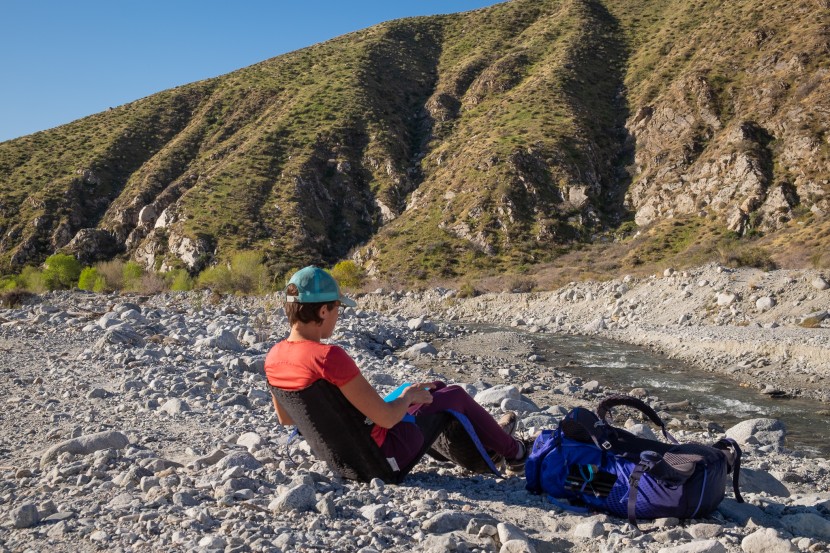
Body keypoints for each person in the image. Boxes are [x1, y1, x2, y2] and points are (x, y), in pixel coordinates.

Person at [264, 265, 530, 474]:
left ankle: (490, 445)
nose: (338, 315)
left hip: (343, 459)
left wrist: (406, 394)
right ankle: (516, 453)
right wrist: (406, 398)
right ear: (323, 311)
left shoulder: (274, 357)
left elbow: (286, 418)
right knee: (453, 395)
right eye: (337, 308)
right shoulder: (328, 356)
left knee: (433, 388)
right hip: (380, 461)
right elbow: (388, 418)